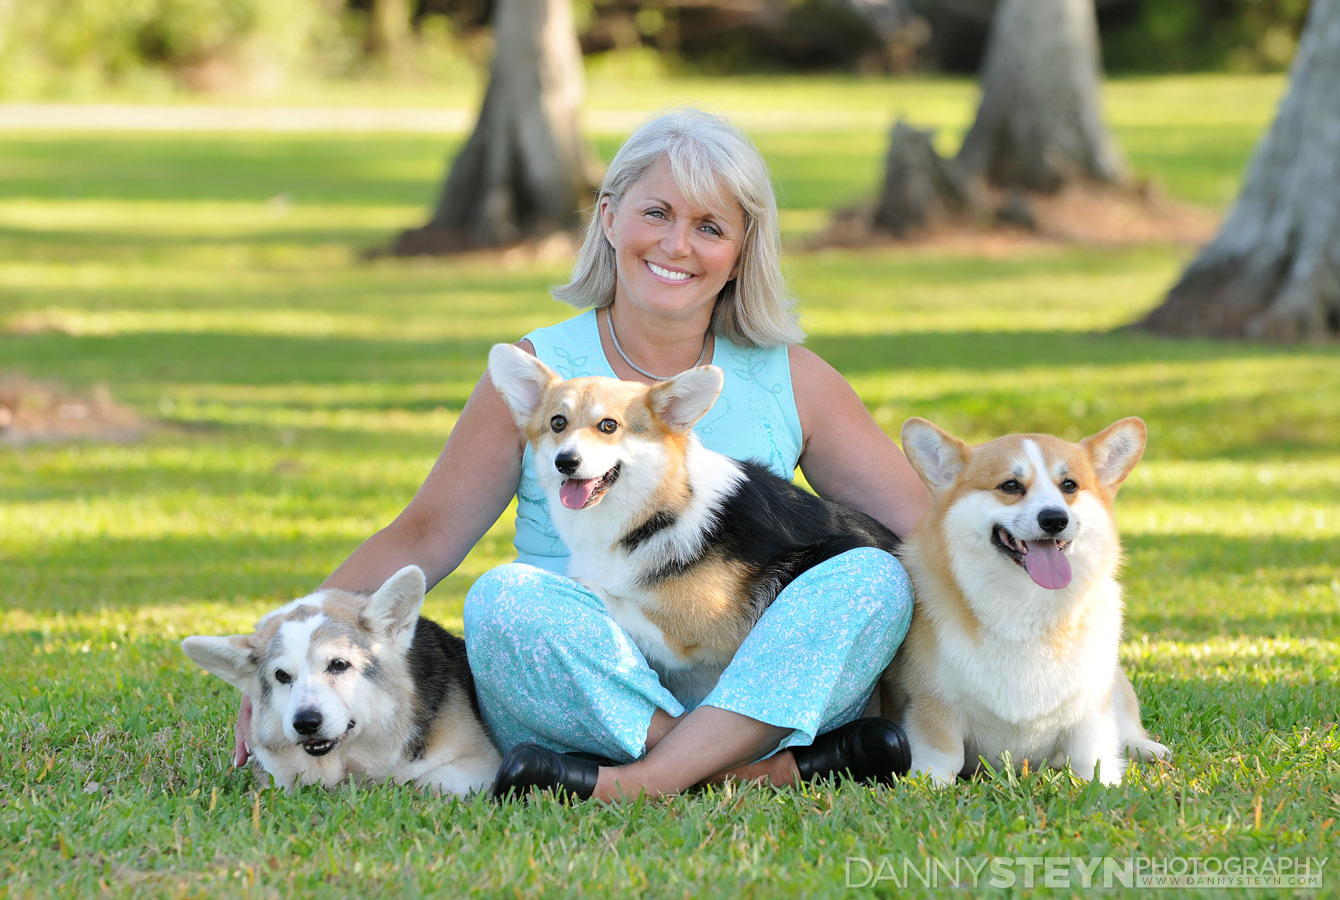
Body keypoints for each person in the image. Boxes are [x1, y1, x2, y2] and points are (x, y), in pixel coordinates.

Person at [234, 108, 929, 801]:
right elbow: (426, 532)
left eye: (709, 227)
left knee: (873, 576)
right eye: (656, 213)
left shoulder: (790, 377)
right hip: (574, 692)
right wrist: (290, 649)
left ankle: (649, 782)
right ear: (608, 217)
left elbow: (928, 536)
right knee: (501, 600)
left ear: (742, 251)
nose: (677, 245)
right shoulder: (541, 370)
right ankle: (738, 773)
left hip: (761, 696)